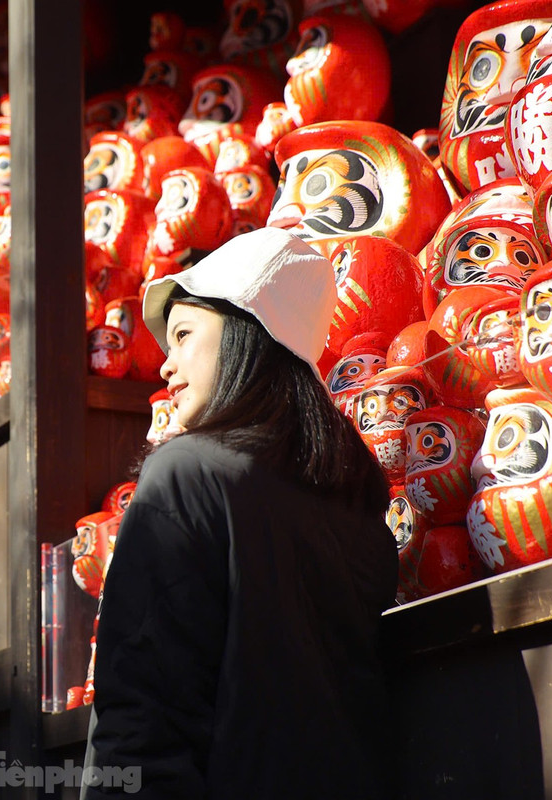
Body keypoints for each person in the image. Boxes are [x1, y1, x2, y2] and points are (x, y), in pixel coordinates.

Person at [81, 228, 398, 798]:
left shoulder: (187, 476)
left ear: (245, 337)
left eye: (182, 335)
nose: (165, 366)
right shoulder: (359, 515)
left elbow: (141, 718)